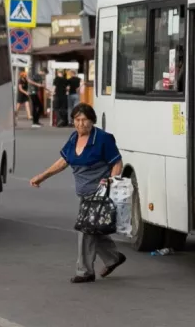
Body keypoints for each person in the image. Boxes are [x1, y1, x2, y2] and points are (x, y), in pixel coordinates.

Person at [30, 103, 127, 283]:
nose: (81, 124)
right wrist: (41, 177)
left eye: (85, 120)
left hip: (98, 195)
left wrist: (111, 183)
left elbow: (117, 163)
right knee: (95, 229)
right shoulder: (74, 138)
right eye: (77, 120)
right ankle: (113, 257)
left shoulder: (103, 139)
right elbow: (63, 161)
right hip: (84, 193)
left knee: (85, 230)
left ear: (92, 121)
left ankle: (85, 271)